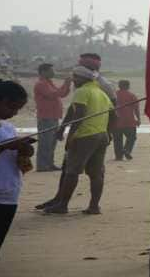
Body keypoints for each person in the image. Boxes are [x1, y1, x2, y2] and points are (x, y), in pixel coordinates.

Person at [0, 80, 35, 277]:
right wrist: (3, 146)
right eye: (11, 107)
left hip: (8, 196)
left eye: (18, 109)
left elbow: (20, 163)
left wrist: (25, 149)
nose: (14, 112)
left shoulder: (8, 127)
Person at [44, 66, 113, 214]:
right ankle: (94, 206)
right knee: (96, 173)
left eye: (75, 77)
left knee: (72, 171)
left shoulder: (81, 91)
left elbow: (79, 114)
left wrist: (70, 135)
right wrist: (109, 132)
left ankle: (62, 205)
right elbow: (113, 115)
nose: (73, 80)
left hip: (85, 136)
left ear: (82, 78)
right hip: (101, 135)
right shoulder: (101, 93)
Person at [33, 63, 71, 172]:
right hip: (46, 116)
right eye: (51, 70)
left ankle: (49, 163)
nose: (53, 73)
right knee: (46, 142)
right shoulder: (41, 84)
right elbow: (54, 94)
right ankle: (43, 165)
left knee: (51, 142)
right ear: (44, 72)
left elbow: (61, 94)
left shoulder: (48, 83)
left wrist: (66, 85)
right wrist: (66, 84)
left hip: (52, 116)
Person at [112, 80, 140, 161]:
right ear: (128, 86)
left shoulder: (114, 95)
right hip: (129, 121)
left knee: (117, 140)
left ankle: (118, 156)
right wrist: (138, 119)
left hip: (116, 121)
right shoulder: (132, 95)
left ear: (119, 86)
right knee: (132, 138)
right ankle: (127, 150)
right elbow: (136, 109)